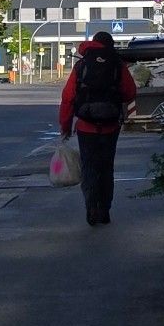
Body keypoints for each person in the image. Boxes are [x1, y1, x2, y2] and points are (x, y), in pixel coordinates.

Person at [57, 33, 136, 227]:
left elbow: (68, 97)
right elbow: (130, 92)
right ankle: (105, 210)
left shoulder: (81, 65)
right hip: (110, 126)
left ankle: (91, 207)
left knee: (89, 167)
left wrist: (65, 126)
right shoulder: (118, 64)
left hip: (86, 126)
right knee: (106, 168)